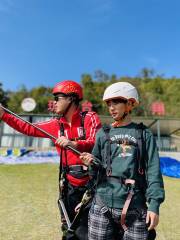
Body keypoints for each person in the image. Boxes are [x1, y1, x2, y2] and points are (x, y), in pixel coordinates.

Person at [0, 80, 101, 240]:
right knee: (69, 229)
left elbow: (96, 140)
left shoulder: (89, 117)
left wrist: (73, 143)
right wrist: (4, 115)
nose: (54, 103)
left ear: (71, 99)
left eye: (57, 98)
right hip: (69, 187)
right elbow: (28, 127)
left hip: (92, 186)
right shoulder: (55, 124)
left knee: (89, 232)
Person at [80, 82, 165, 240]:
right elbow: (95, 173)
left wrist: (154, 205)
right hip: (101, 205)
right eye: (108, 103)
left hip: (136, 208)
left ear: (130, 103)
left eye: (116, 102)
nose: (111, 107)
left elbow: (153, 171)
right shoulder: (102, 134)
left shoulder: (144, 134)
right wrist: (91, 163)